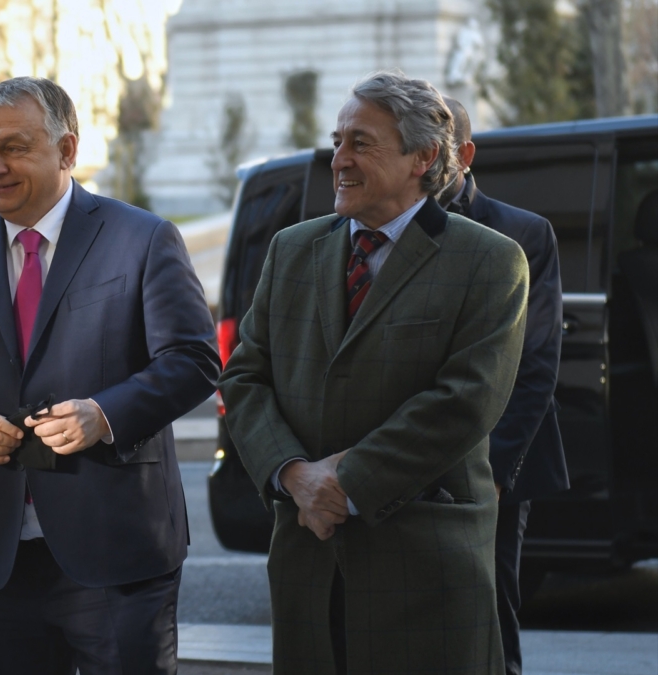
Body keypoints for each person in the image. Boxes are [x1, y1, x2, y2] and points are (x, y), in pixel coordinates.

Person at [0, 76, 219, 675]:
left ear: (67, 151)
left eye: (14, 147)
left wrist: (106, 414)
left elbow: (195, 361)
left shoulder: (141, 238)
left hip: (118, 556)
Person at [218, 71, 528, 674]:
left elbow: (464, 401)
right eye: (337, 142)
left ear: (424, 157)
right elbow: (244, 377)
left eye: (361, 143)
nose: (340, 159)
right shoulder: (291, 250)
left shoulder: (490, 260)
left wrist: (348, 482)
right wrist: (295, 475)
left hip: (425, 566)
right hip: (309, 562)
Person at [439, 96, 567, 675]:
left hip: (493, 465)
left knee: (489, 616)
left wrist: (493, 473)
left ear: (463, 155)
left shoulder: (523, 232)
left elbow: (535, 363)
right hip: (401, 460)